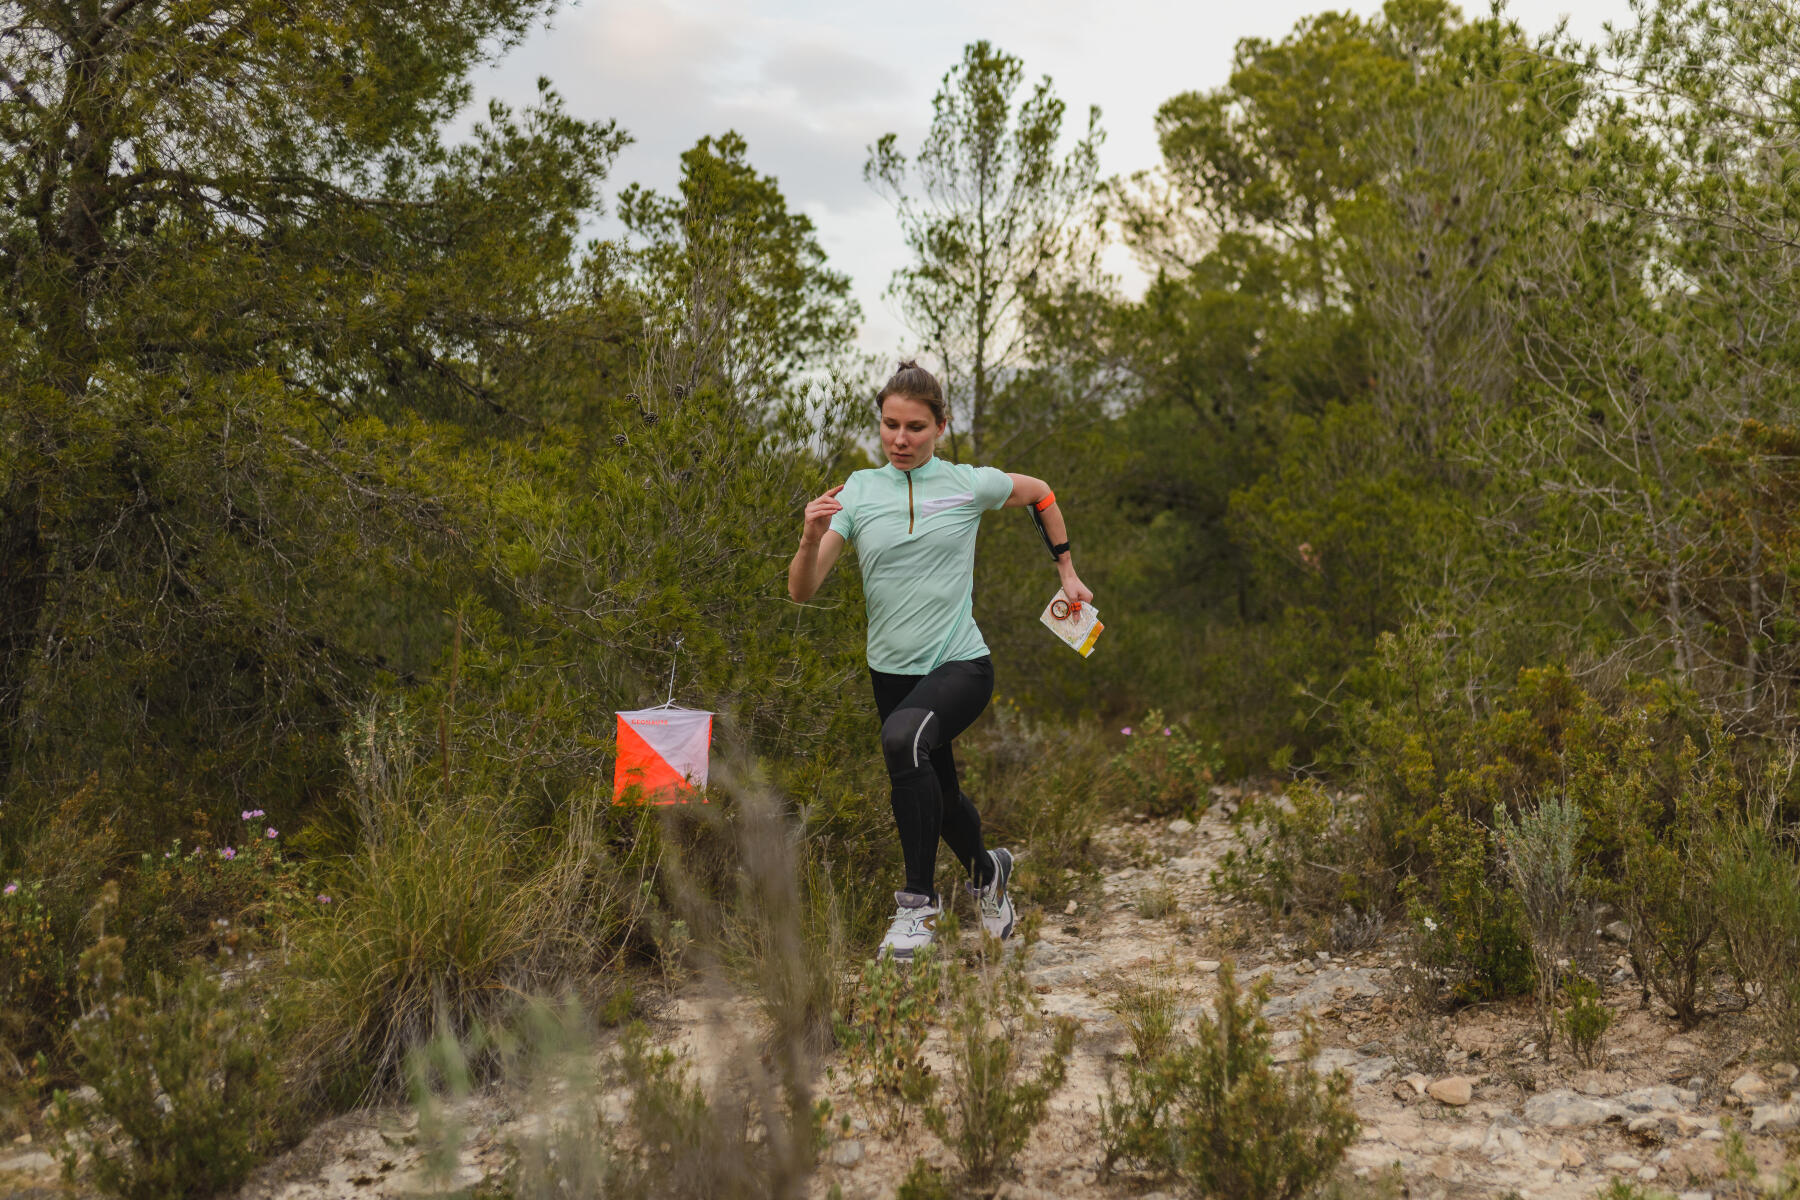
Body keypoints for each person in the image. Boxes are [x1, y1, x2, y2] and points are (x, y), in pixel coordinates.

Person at [787, 360, 1093, 959]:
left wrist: (1067, 569)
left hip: (960, 665)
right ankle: (988, 872)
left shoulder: (967, 483)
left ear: (941, 426)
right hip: (891, 673)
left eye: (916, 428)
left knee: (904, 741)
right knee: (940, 794)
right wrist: (807, 536)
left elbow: (1041, 494)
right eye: (890, 425)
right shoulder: (858, 492)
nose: (901, 439)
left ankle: (918, 907)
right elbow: (803, 589)